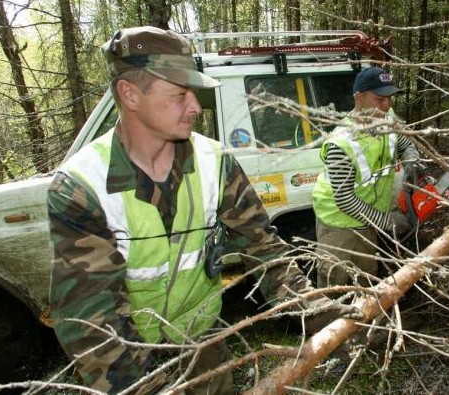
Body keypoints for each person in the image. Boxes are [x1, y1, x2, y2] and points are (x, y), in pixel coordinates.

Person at [48, 26, 350, 395]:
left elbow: (265, 251)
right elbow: (89, 319)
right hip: (129, 361)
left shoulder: (215, 163)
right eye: (180, 93)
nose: (195, 105)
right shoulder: (82, 186)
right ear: (129, 94)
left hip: (202, 344)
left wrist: (324, 315)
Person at [312, 67, 423, 288]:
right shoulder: (341, 142)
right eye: (380, 99)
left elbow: (405, 145)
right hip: (338, 221)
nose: (387, 105)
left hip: (368, 217)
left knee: (366, 275)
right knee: (336, 280)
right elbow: (344, 199)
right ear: (359, 98)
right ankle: (330, 320)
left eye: (390, 98)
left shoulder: (386, 120)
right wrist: (386, 222)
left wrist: (412, 162)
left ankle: (367, 317)